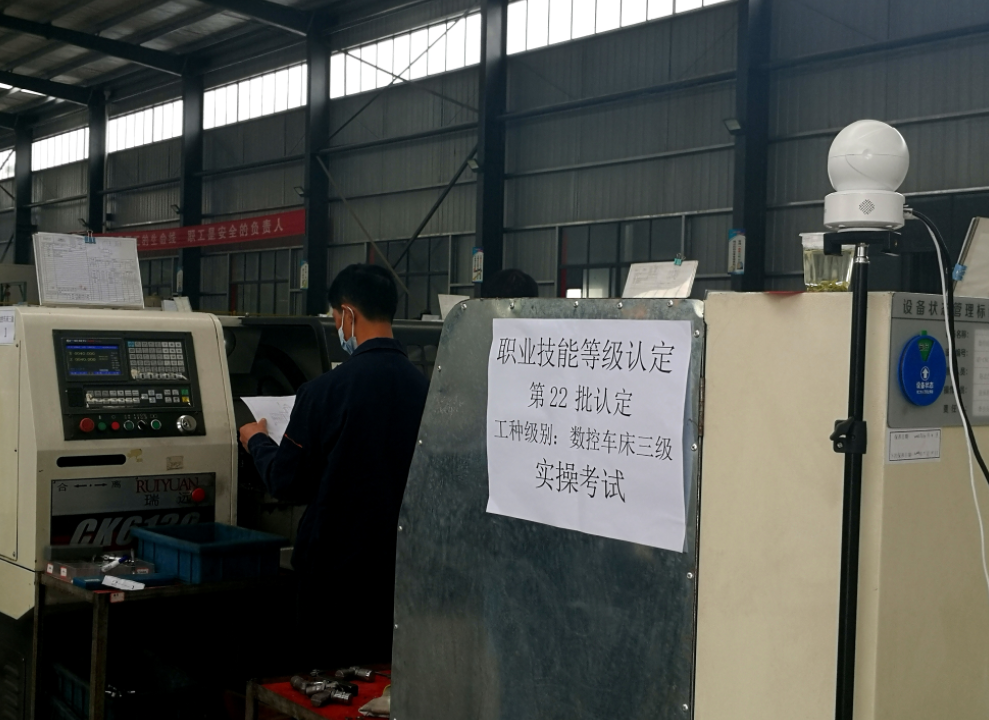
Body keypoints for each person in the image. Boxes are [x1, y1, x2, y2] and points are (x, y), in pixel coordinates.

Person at [239, 264, 429, 666]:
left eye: (334, 317)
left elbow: (287, 482)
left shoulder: (325, 391)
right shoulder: (425, 390)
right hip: (399, 568)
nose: (337, 325)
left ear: (348, 314)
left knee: (326, 676)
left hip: (335, 573)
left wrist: (256, 440)